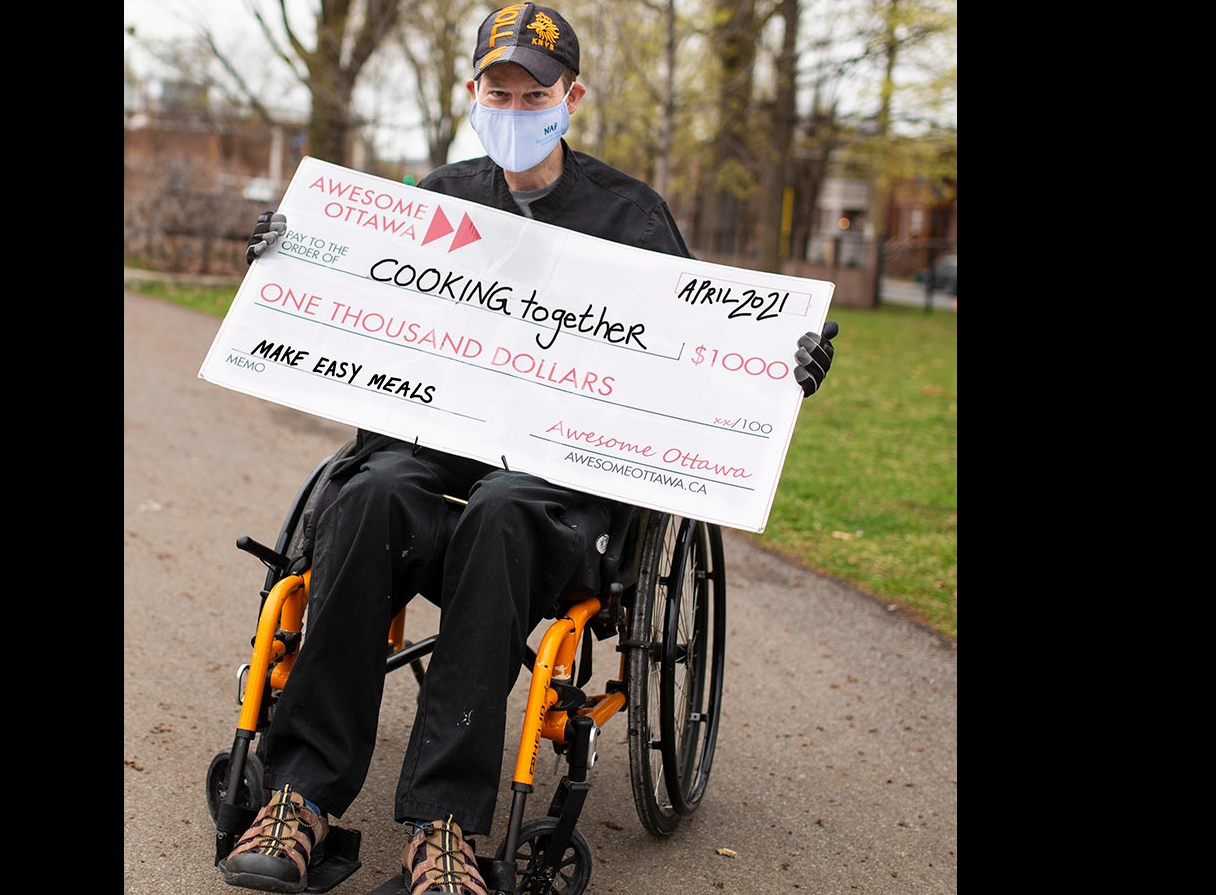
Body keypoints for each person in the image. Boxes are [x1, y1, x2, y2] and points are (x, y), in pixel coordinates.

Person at [222, 5, 838, 894]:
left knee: (505, 510)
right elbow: (367, 323)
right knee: (365, 492)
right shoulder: (437, 195)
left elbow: (693, 356)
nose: (512, 106)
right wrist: (289, 272)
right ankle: (297, 798)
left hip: (549, 504)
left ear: (570, 96)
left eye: (532, 92)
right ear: (472, 92)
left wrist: (782, 370)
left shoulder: (629, 216)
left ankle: (443, 827)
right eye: (495, 89)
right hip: (432, 476)